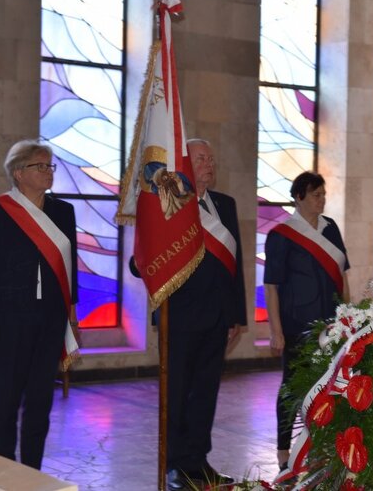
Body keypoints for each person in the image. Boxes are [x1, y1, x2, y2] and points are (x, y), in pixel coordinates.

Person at [132, 139, 246, 490]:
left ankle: (198, 462)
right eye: (201, 158)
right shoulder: (169, 203)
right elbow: (142, 263)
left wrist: (237, 316)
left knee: (206, 394)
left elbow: (235, 266)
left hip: (216, 318)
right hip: (177, 318)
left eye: (212, 158)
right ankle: (174, 465)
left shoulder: (225, 204)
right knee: (177, 395)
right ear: (184, 164)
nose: (209, 163)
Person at [0, 140, 79, 469]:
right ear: (19, 173)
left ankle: (33, 472)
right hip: (10, 320)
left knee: (40, 401)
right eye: (41, 166)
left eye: (51, 166)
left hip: (50, 319)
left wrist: (72, 319)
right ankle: (5, 473)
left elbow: (70, 269)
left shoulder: (64, 211)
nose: (49, 172)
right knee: (5, 402)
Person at [265, 172, 350, 471]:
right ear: (299, 197)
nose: (322, 199)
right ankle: (283, 450)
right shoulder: (281, 235)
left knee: (329, 385)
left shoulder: (331, 229)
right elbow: (271, 286)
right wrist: (275, 330)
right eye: (316, 194)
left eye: (323, 194)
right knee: (291, 387)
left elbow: (342, 276)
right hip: (295, 323)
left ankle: (322, 444)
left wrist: (347, 316)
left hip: (330, 323)